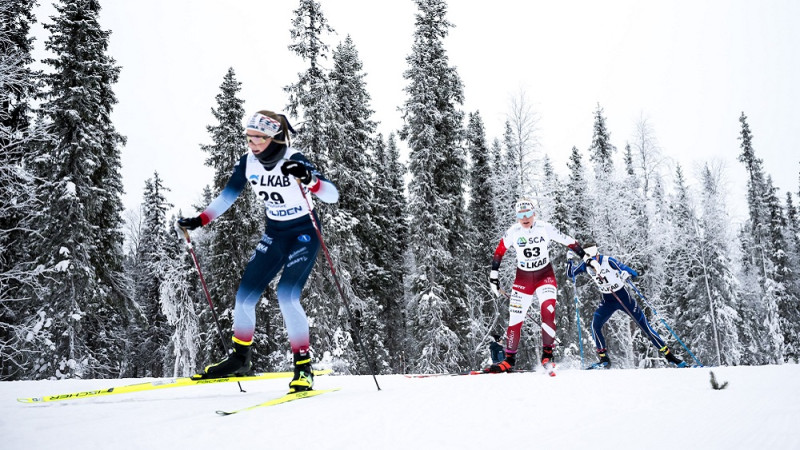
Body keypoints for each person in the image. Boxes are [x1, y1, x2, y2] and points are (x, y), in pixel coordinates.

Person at [178, 110, 339, 393]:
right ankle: (240, 359)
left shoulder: (293, 158)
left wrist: (310, 181)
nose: (252, 144)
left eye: (259, 139)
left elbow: (332, 194)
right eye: (248, 137)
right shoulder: (248, 163)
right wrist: (201, 219)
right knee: (244, 297)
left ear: (274, 137)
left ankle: (303, 366)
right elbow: (228, 195)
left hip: (304, 233)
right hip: (275, 234)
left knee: (287, 296)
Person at [485, 198, 597, 374]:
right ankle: (509, 360)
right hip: (523, 279)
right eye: (520, 215)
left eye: (528, 213)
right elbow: (499, 253)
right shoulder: (513, 232)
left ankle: (547, 356)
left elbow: (569, 241)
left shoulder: (544, 227)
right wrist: (494, 276)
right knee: (515, 318)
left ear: (534, 214)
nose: (525, 218)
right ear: (516, 217)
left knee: (547, 310)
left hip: (545, 276)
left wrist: (586, 258)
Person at [566, 242, 686, 369]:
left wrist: (626, 274)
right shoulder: (586, 265)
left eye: (593, 258)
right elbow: (571, 274)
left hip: (623, 298)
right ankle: (604, 359)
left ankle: (670, 357)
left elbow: (632, 272)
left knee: (644, 326)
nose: (591, 262)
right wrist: (569, 260)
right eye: (588, 259)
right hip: (607, 301)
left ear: (597, 254)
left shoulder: (608, 261)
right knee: (595, 325)